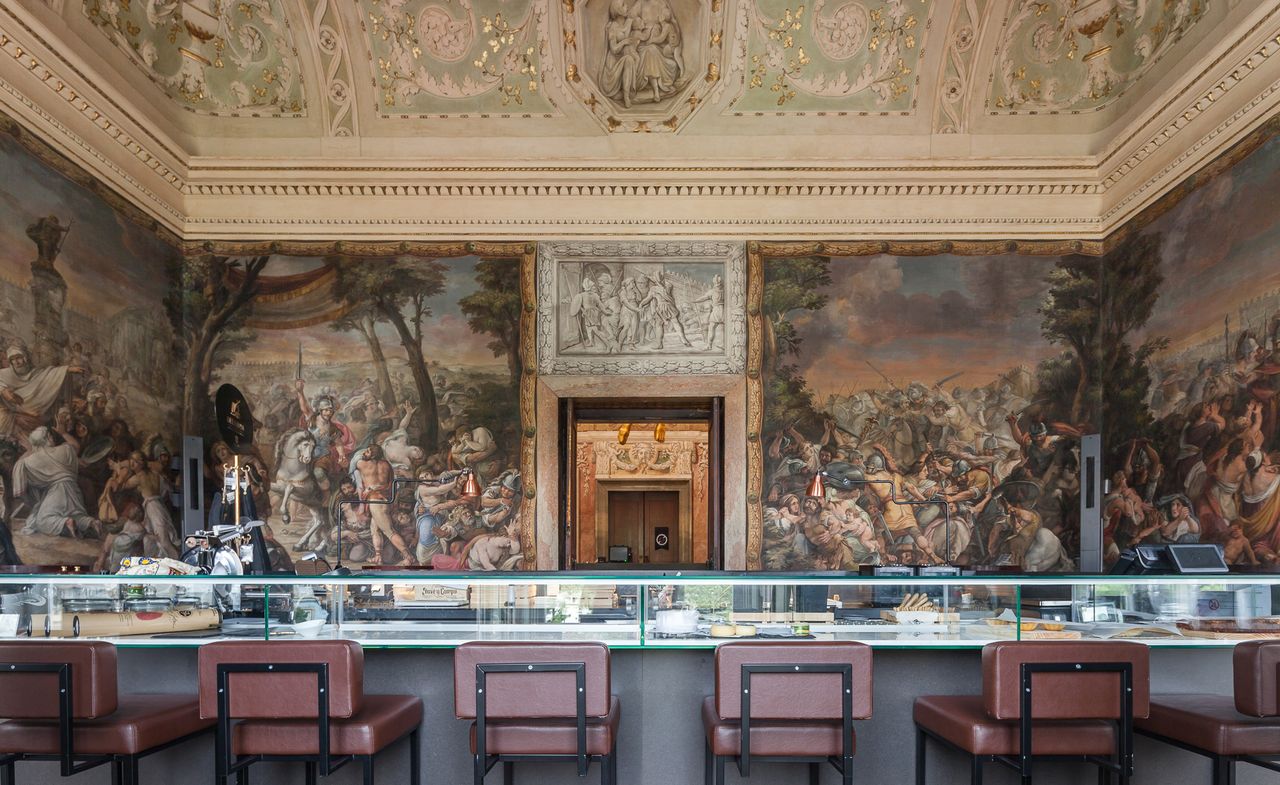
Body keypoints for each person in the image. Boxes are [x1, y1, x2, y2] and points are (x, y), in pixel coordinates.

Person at [11, 426, 101, 539]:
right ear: (47, 438)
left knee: (43, 520)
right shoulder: (65, 449)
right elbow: (76, 446)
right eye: (50, 436)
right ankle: (91, 523)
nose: (52, 438)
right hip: (74, 490)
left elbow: (19, 477)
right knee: (77, 514)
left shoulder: (29, 461)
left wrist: (30, 450)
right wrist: (63, 433)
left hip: (56, 493)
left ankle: (66, 522)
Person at [0, 344, 86, 443]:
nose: (17, 362)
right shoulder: (4, 374)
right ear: (10, 361)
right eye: (13, 359)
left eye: (19, 357)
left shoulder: (35, 372)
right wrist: (3, 390)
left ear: (25, 357)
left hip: (36, 411)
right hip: (14, 411)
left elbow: (49, 373)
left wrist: (67, 369)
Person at [356, 443, 415, 566]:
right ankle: (378, 557)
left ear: (373, 454)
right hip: (384, 500)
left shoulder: (362, 464)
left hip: (375, 501)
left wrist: (371, 488)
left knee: (389, 531)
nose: (364, 453)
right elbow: (390, 483)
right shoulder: (386, 465)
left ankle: (408, 556)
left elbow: (356, 465)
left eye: (367, 451)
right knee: (375, 529)